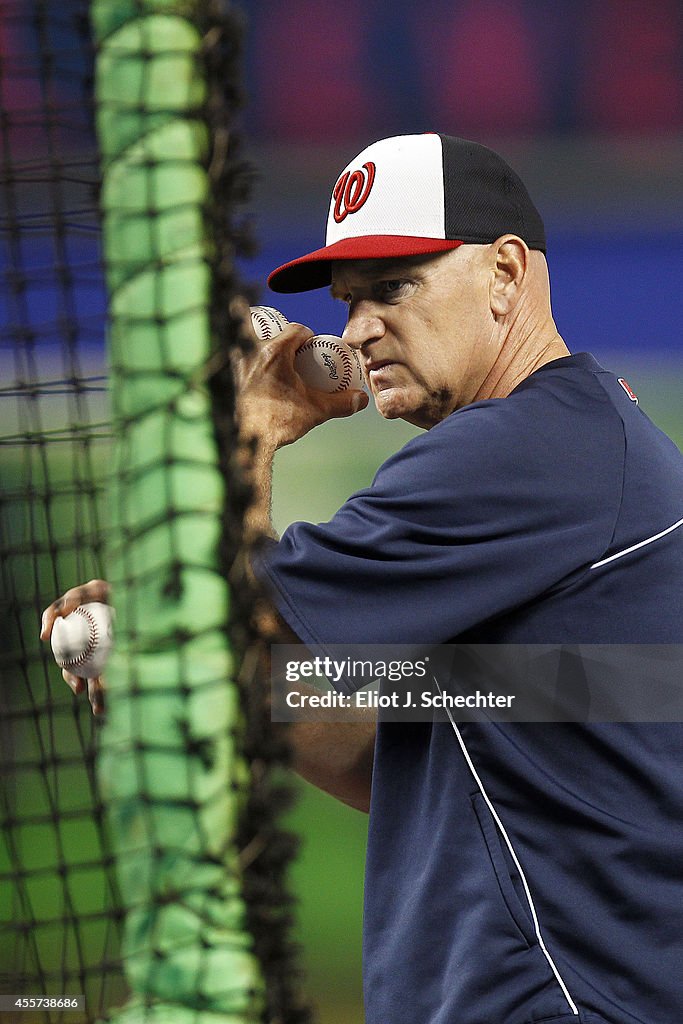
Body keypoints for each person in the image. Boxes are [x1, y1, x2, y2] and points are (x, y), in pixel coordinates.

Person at [42, 134, 683, 1024]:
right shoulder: (576, 446)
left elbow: (231, 630)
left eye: (394, 287)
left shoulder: (524, 450)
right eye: (348, 302)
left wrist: (255, 427)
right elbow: (401, 763)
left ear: (504, 273)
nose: (357, 330)